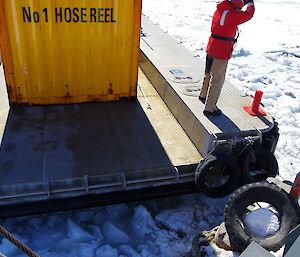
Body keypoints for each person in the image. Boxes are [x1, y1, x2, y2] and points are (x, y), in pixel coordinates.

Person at [199, 0, 255, 116]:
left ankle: (203, 95)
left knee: (208, 72)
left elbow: (235, 8)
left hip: (212, 45)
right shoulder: (231, 14)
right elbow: (248, 15)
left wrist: (241, 4)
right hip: (222, 48)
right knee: (217, 79)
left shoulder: (222, 8)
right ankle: (210, 108)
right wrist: (250, 4)